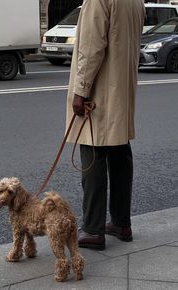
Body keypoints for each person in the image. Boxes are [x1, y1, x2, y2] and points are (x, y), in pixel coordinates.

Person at [66, 0, 145, 250]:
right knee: (120, 151)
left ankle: (92, 229)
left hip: (100, 90)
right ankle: (121, 223)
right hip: (121, 86)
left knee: (93, 152)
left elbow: (91, 48)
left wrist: (81, 91)